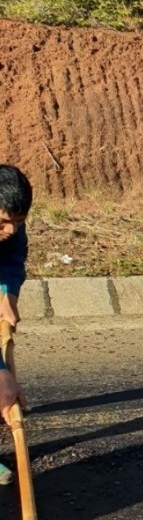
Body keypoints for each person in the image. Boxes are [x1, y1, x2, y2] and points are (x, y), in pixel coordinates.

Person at [0, 164, 31, 442]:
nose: (11, 230)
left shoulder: (12, 228)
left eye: (18, 221)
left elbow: (11, 261)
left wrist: (7, 293)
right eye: (3, 223)